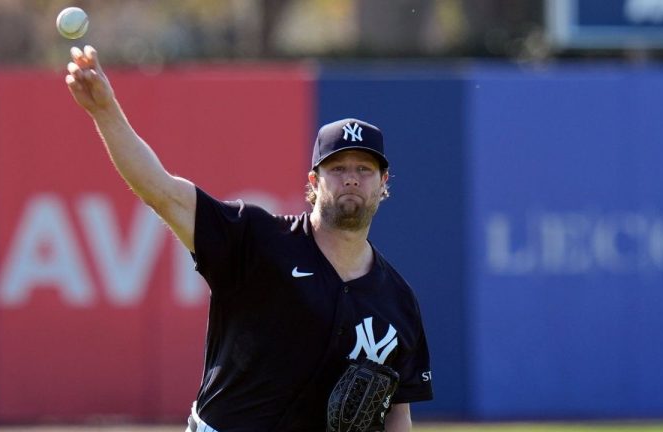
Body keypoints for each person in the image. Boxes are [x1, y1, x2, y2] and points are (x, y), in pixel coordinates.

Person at [65, 45, 433, 432]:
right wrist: (105, 112)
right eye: (337, 168)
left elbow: (397, 412)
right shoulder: (257, 240)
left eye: (365, 168)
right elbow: (162, 192)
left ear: (383, 183)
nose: (352, 178)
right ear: (313, 182)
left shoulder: (398, 302)